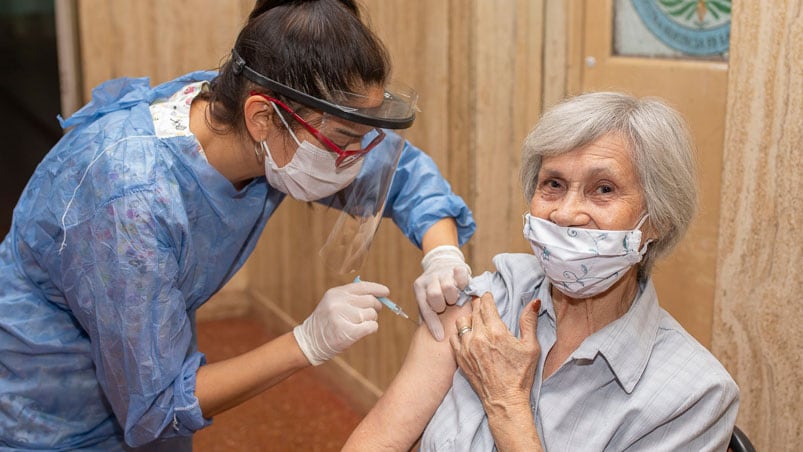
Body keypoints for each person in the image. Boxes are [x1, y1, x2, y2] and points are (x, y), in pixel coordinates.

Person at [0, 0, 475, 449]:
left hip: (149, 361)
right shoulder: (132, 201)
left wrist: (441, 252)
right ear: (263, 117)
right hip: (46, 411)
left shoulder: (249, 118)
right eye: (346, 140)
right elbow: (156, 405)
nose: (357, 158)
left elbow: (404, 177)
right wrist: (305, 343)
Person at [343, 92, 740, 451]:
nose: (565, 213)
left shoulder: (694, 395)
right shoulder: (488, 300)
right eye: (553, 183)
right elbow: (379, 440)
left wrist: (507, 403)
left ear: (658, 221)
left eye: (604, 189)